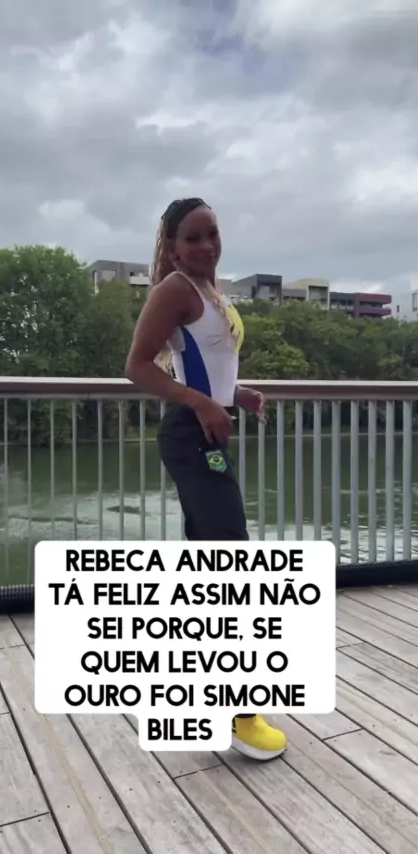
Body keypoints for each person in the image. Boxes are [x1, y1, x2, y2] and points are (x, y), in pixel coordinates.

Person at [125, 197, 287, 761]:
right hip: (191, 438)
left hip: (205, 435)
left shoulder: (210, 290)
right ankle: (240, 715)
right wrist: (202, 403)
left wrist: (234, 395)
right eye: (192, 238)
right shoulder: (174, 290)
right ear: (172, 247)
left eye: (211, 233)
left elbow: (206, 366)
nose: (205, 245)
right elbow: (137, 366)